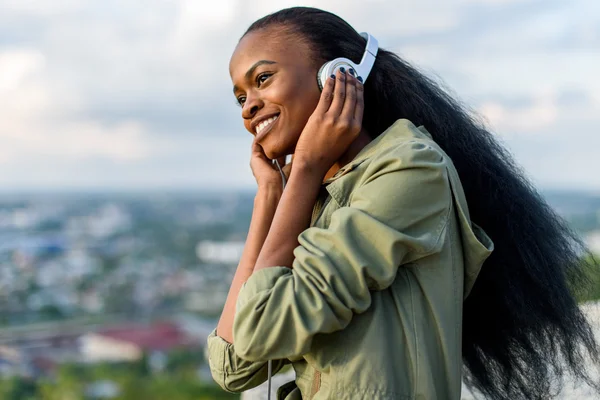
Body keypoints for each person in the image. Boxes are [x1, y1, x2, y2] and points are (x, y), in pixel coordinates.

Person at [206, 6, 600, 400]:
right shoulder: (315, 196)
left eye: (262, 79)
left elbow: (262, 325)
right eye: (241, 96)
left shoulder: (410, 169)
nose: (248, 106)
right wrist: (270, 196)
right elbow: (232, 366)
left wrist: (307, 166)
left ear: (338, 75)